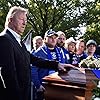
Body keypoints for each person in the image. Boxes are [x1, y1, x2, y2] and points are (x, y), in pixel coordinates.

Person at [0, 6, 75, 100]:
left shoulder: (17, 40)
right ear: (11, 20)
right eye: (21, 19)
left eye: (26, 20)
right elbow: (8, 74)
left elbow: (32, 59)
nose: (24, 23)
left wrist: (57, 65)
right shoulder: (4, 39)